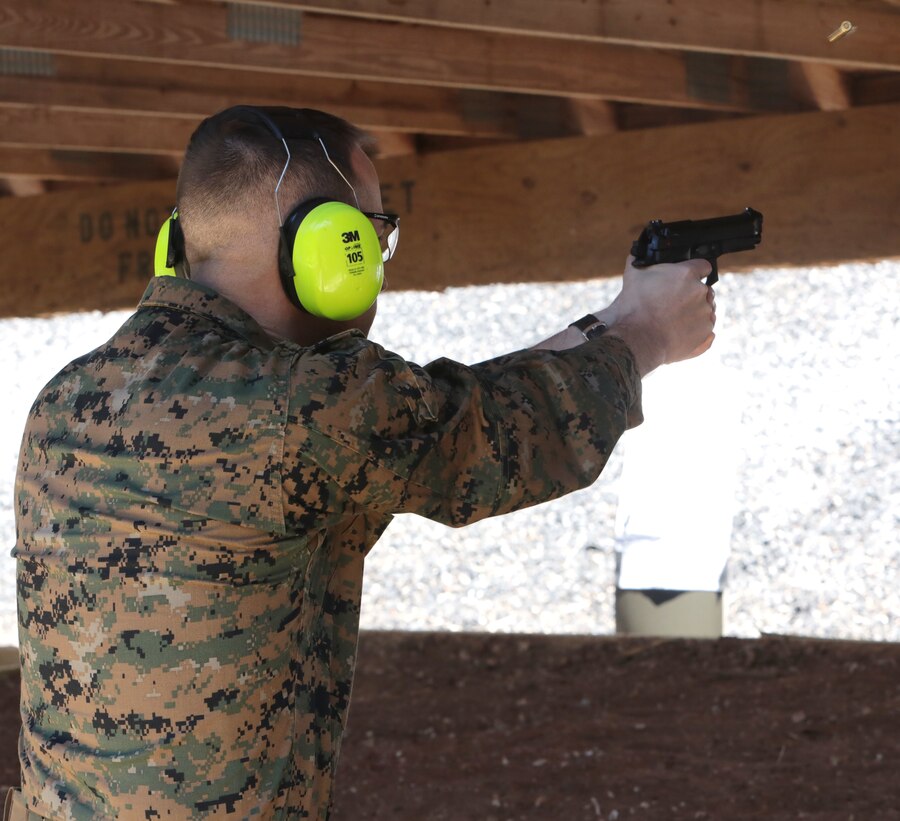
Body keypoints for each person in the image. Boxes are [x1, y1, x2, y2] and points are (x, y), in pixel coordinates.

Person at [10, 105, 715, 820]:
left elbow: (451, 409)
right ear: (323, 245)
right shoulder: (306, 405)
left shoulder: (68, 397)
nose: (377, 256)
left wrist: (611, 323)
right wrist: (649, 335)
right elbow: (512, 434)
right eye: (372, 233)